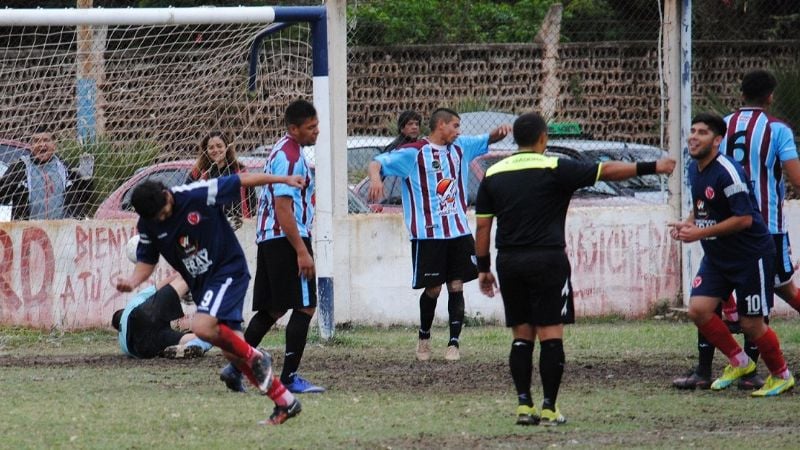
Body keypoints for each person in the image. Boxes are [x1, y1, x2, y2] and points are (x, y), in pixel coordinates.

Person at [474, 112, 675, 426]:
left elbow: (483, 228)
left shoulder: (493, 173)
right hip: (548, 260)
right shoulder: (556, 167)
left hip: (509, 262)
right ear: (543, 138)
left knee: (521, 336)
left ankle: (524, 405)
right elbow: (606, 171)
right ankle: (549, 406)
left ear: (516, 139)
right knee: (551, 334)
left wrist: (483, 268)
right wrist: (652, 166)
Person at [116, 168, 306, 425]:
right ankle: (285, 402)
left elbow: (242, 179)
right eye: (156, 217)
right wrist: (132, 281)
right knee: (233, 354)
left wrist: (282, 179)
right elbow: (146, 262)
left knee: (202, 326)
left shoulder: (197, 193)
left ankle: (256, 355)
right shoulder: (148, 223)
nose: (162, 218)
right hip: (202, 285)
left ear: (167, 195)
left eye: (164, 212)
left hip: (227, 270)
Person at [673, 69, 800, 391]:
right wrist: (692, 221)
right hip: (757, 228)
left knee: (752, 311)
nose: (695, 136)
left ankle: (769, 373)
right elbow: (796, 179)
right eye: (694, 131)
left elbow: (739, 212)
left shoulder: (723, 131)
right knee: (711, 306)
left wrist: (698, 228)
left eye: (701, 132)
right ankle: (743, 365)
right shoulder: (776, 130)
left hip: (747, 233)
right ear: (770, 96)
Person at [367, 107, 512, 362]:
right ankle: (424, 337)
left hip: (457, 231)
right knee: (433, 288)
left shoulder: (461, 147)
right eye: (455, 126)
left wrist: (498, 134)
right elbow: (377, 162)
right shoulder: (414, 153)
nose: (459, 131)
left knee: (456, 285)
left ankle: (453, 343)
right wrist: (375, 178)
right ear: (441, 125)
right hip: (428, 234)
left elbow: (486, 140)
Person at [219, 99, 325, 395]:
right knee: (305, 305)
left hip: (271, 237)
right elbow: (283, 207)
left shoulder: (283, 147)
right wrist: (302, 251)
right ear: (294, 128)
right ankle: (290, 377)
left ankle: (234, 367)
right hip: (287, 237)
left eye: (317, 125)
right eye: (311, 127)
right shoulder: (291, 157)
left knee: (274, 307)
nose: (316, 132)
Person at [0, 127, 94, 220]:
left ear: (54, 145)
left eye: (46, 140)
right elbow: (3, 198)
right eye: (37, 141)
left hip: (61, 230)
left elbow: (84, 198)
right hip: (29, 230)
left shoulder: (64, 168)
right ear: (31, 146)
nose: (42, 144)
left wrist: (86, 180)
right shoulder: (21, 167)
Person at [112, 272, 213, 359]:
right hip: (139, 316)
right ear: (123, 311)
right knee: (186, 276)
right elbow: (166, 282)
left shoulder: (122, 345)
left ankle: (195, 345)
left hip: (142, 346)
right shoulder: (131, 305)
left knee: (208, 337)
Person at [186, 131, 256, 230]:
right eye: (211, 147)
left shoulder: (240, 171)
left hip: (239, 227)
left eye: (219, 146)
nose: (215, 150)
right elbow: (187, 198)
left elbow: (252, 202)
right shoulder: (197, 173)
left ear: (226, 147)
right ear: (206, 151)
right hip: (208, 227)